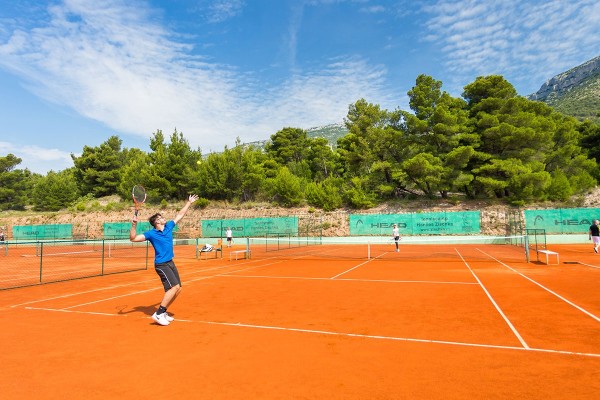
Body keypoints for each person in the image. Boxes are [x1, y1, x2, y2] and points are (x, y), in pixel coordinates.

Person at [130, 194, 199, 326]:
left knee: (178, 288)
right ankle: (158, 313)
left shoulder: (168, 227)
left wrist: (189, 203)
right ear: (156, 222)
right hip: (161, 264)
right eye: (161, 217)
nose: (163, 218)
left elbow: (180, 215)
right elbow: (133, 238)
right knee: (173, 287)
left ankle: (163, 311)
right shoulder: (151, 234)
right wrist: (134, 225)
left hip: (170, 262)